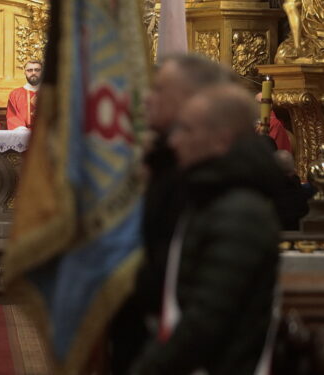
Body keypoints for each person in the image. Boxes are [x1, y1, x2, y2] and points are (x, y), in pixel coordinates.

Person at [132, 84, 281, 374]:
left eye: (185, 130)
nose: (174, 141)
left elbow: (205, 323)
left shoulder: (241, 211)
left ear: (221, 140)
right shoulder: (208, 196)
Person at [110, 54, 235, 374]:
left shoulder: (212, 185)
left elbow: (192, 297)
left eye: (159, 89)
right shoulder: (164, 166)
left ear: (191, 100)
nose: (147, 99)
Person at [6, 60, 42, 130]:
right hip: (22, 134)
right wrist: (21, 129)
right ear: (24, 72)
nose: (33, 73)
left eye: (37, 70)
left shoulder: (48, 94)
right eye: (29, 70)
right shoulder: (15, 94)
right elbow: (13, 116)